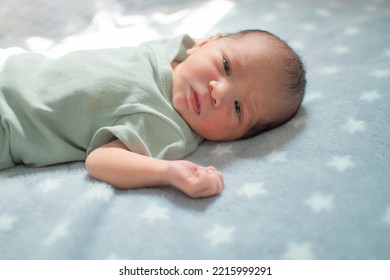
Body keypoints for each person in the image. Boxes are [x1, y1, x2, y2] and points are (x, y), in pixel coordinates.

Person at [0, 29, 306, 198]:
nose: (220, 92)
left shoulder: (168, 127)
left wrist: (167, 173)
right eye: (226, 66)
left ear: (236, 136)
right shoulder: (175, 49)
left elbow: (101, 160)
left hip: (9, 125)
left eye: (238, 109)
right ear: (206, 42)